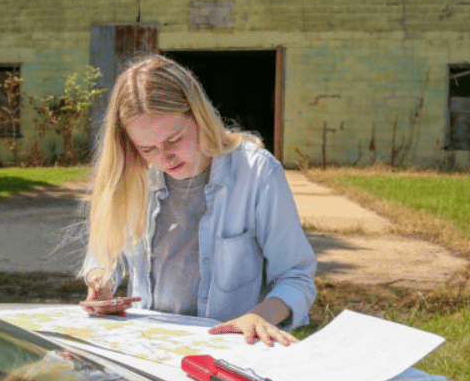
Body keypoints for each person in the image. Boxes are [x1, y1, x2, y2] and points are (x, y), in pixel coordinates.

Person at [79, 55, 317, 346]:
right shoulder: (134, 173)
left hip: (228, 351)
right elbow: (105, 252)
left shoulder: (256, 172)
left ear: (199, 115)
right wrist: (100, 281)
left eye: (174, 140)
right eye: (148, 148)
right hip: (147, 347)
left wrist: (259, 317)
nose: (165, 159)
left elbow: (297, 276)